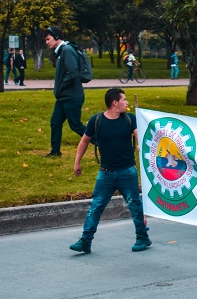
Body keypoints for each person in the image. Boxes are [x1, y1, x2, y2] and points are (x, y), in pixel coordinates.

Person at [70, 88, 151, 254]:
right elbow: (84, 140)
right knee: (96, 207)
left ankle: (142, 237)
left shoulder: (129, 119)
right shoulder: (97, 120)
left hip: (126, 172)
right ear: (115, 102)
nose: (127, 103)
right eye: (124, 99)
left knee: (135, 205)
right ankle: (85, 241)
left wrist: (140, 142)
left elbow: (139, 135)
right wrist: (77, 162)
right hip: (105, 173)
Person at [44, 26, 89, 157]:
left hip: (72, 97)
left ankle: (103, 143)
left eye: (48, 39)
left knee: (75, 125)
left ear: (57, 37)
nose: (47, 42)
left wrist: (62, 87)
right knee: (55, 122)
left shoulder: (67, 50)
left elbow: (72, 73)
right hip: (63, 97)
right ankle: (55, 151)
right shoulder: (61, 51)